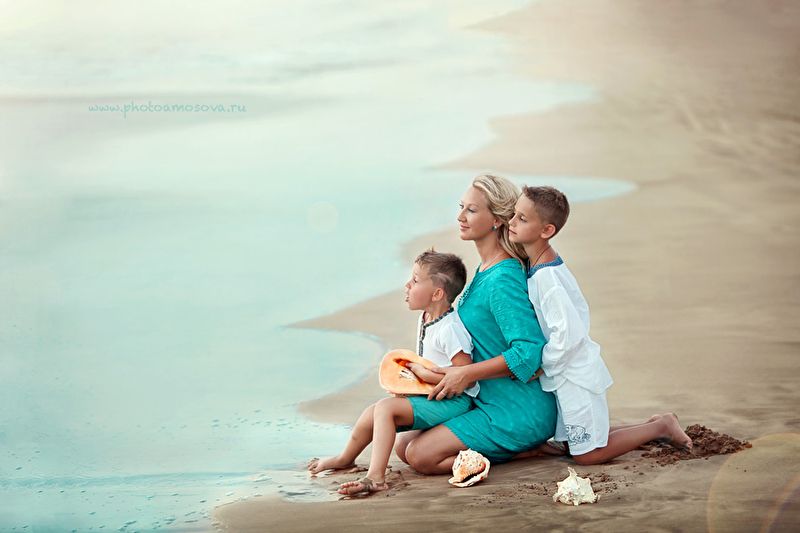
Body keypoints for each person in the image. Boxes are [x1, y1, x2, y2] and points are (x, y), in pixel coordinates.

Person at [507, 185, 692, 464]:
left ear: (547, 230)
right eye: (514, 214)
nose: (511, 222)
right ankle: (653, 426)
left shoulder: (548, 278)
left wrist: (541, 364)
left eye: (522, 218)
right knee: (577, 441)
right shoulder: (539, 266)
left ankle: (662, 427)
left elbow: (568, 335)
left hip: (575, 375)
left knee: (587, 455)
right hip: (565, 373)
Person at [394, 174, 557, 475]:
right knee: (403, 445)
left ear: (497, 220)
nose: (460, 216)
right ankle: (517, 448)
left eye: (471, 210)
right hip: (484, 398)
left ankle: (526, 449)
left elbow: (528, 351)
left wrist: (465, 374)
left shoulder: (502, 278)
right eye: (461, 207)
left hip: (517, 408)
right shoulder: (484, 269)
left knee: (420, 456)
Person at [308, 249, 478, 494]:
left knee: (386, 409)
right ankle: (345, 458)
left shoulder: (450, 329)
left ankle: (376, 477)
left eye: (416, 280)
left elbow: (466, 376)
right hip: (432, 395)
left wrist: (426, 376)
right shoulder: (426, 318)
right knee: (373, 412)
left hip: (454, 401)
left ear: (437, 293)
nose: (407, 285)